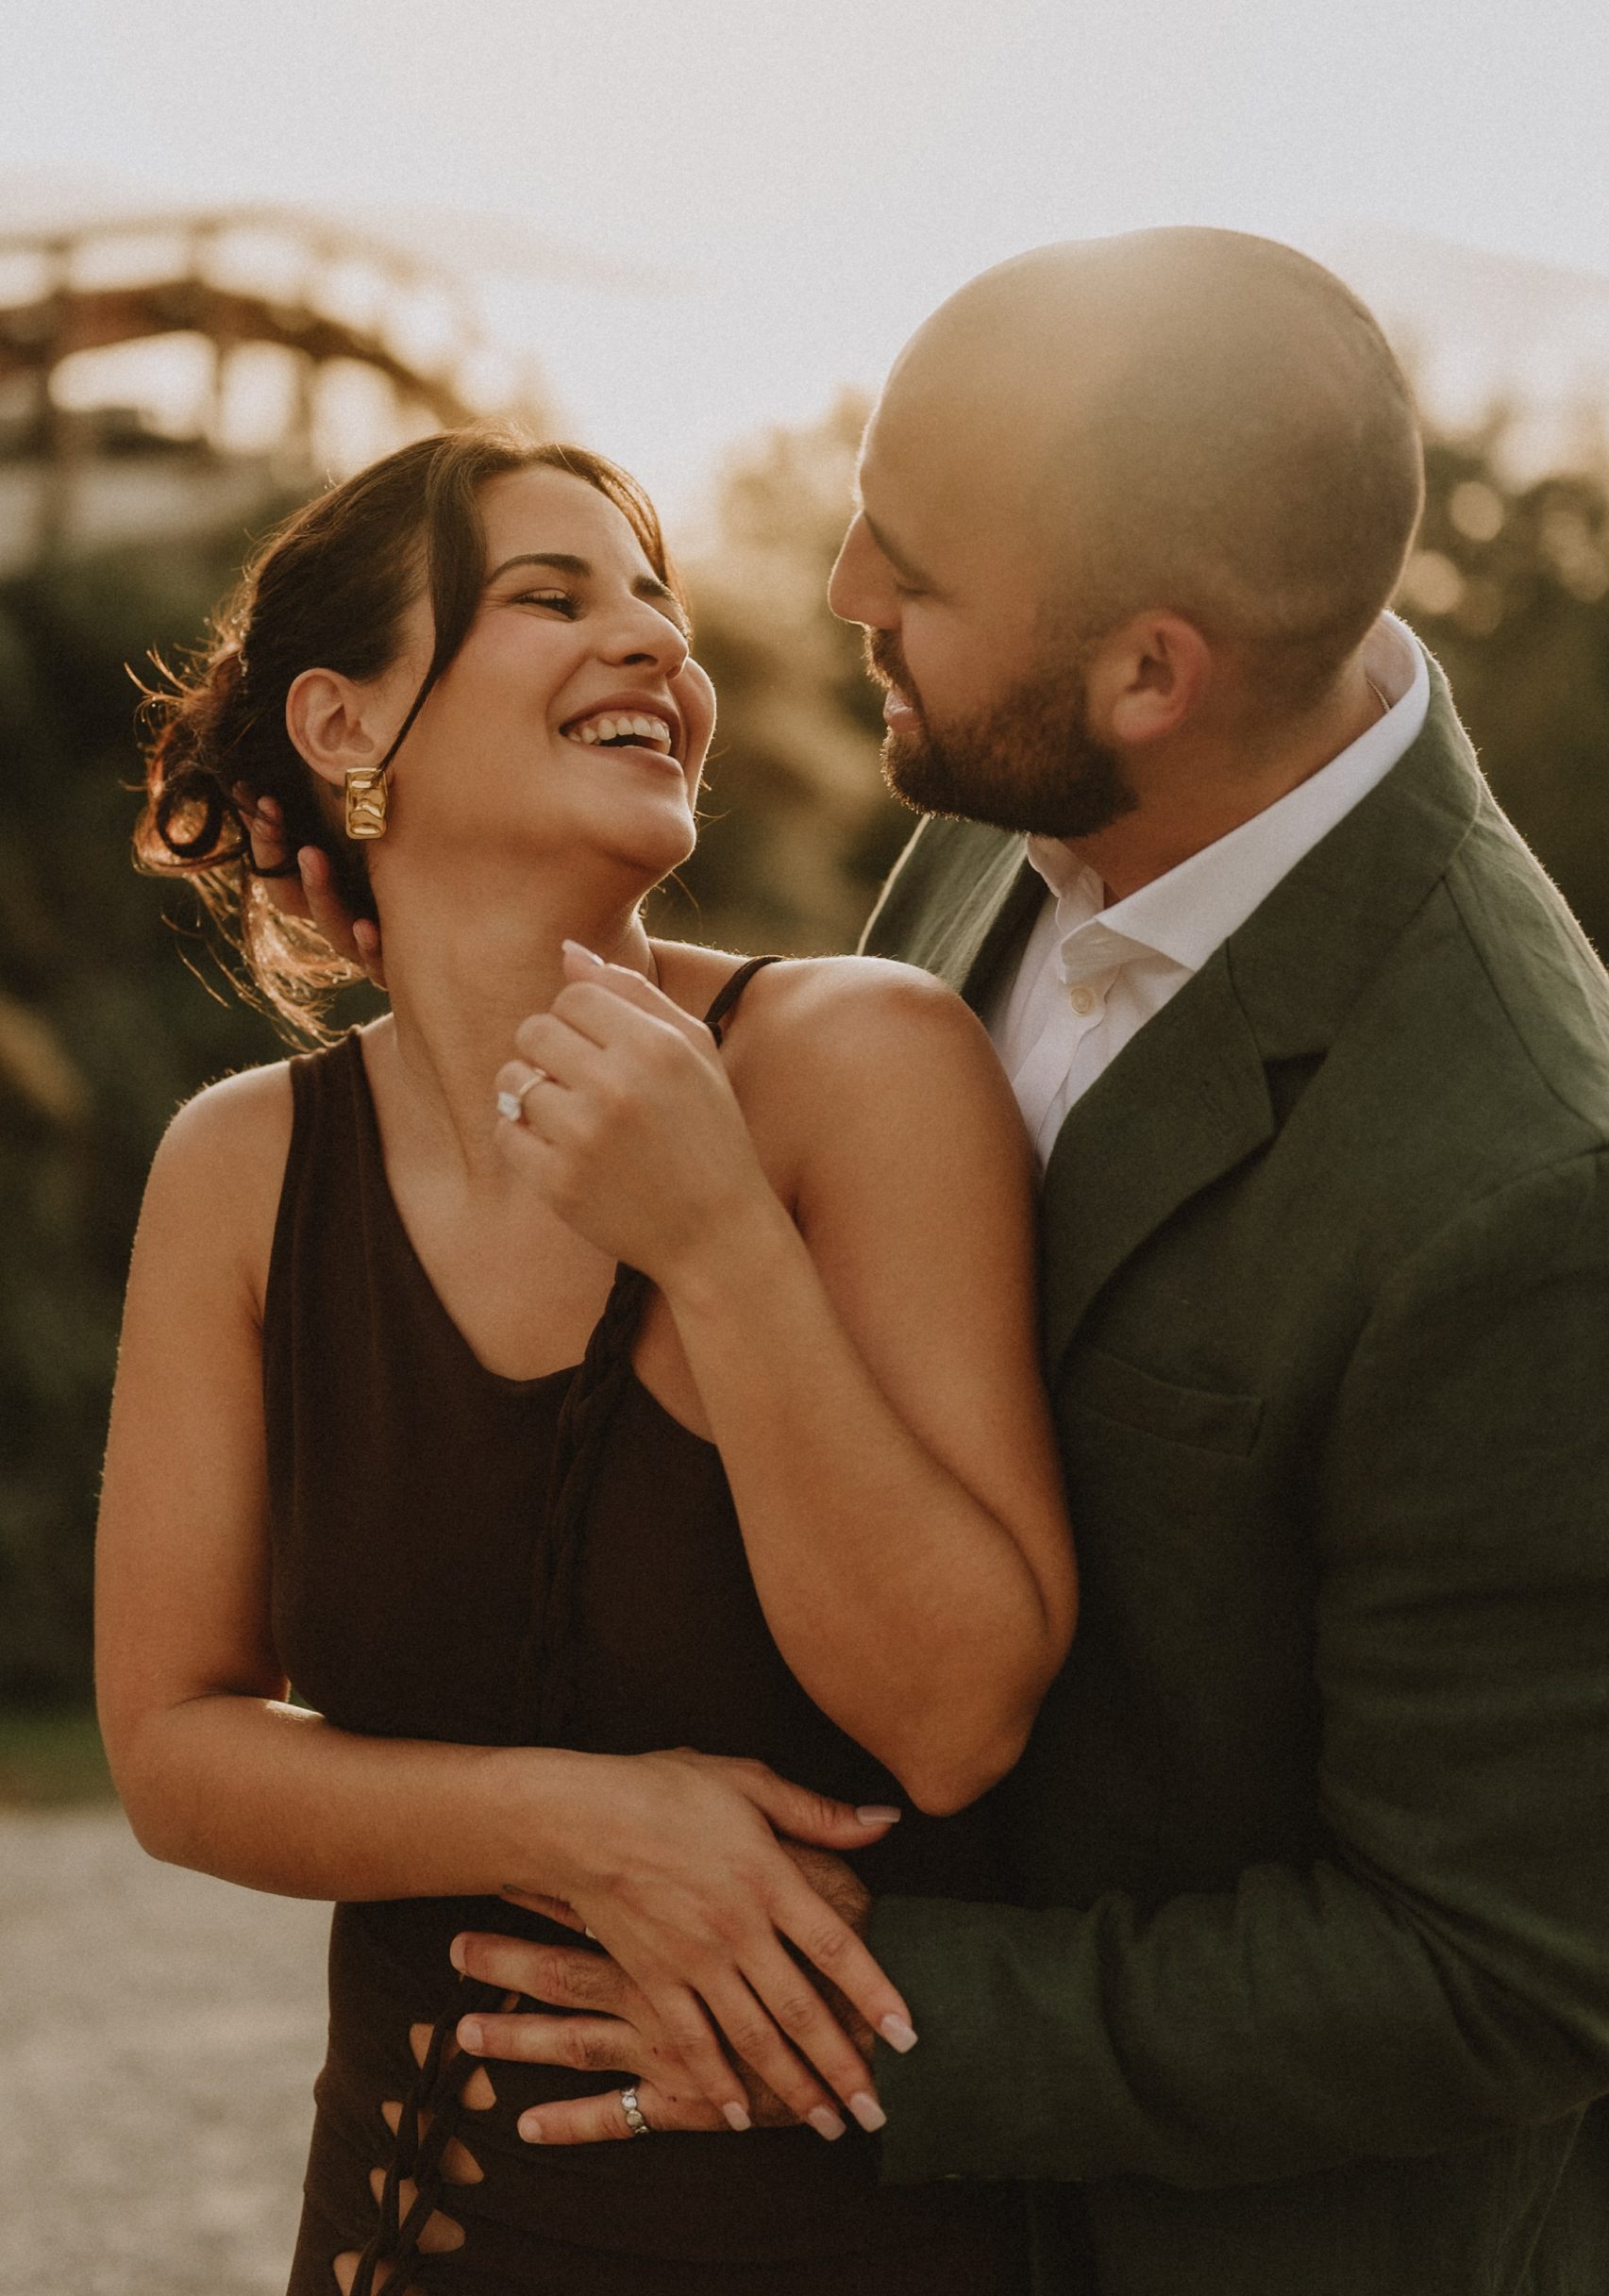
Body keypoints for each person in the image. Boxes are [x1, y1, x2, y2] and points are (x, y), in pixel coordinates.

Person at [355, 231, 1607, 2296]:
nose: (843, 592)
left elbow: (1499, 1971)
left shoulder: (1522, 1192)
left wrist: (833, 2008)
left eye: (909, 570)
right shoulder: (1010, 810)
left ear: (1149, 671)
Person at [94, 430, 1080, 2295]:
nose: (651, 648)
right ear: (342, 723)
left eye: (660, 606)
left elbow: (957, 1711)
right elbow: (171, 1745)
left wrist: (713, 1234)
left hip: (845, 2241)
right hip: (404, 2236)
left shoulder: (862, 1064)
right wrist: (581, 1817)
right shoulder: (239, 1170)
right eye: (551, 597)